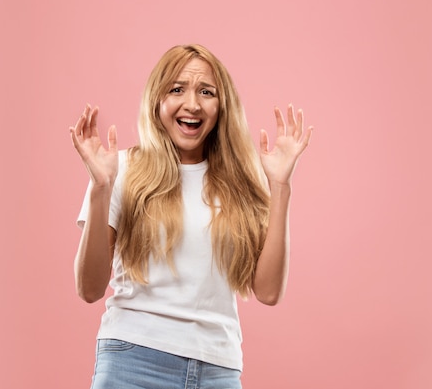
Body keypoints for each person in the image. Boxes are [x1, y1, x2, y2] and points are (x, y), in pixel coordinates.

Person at [69, 44, 312, 389]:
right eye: (177, 89)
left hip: (218, 370)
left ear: (221, 106)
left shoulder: (241, 183)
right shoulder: (122, 170)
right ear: (157, 100)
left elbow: (269, 292)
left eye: (206, 92)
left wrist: (281, 187)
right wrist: (100, 188)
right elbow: (89, 288)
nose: (193, 104)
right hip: (132, 363)